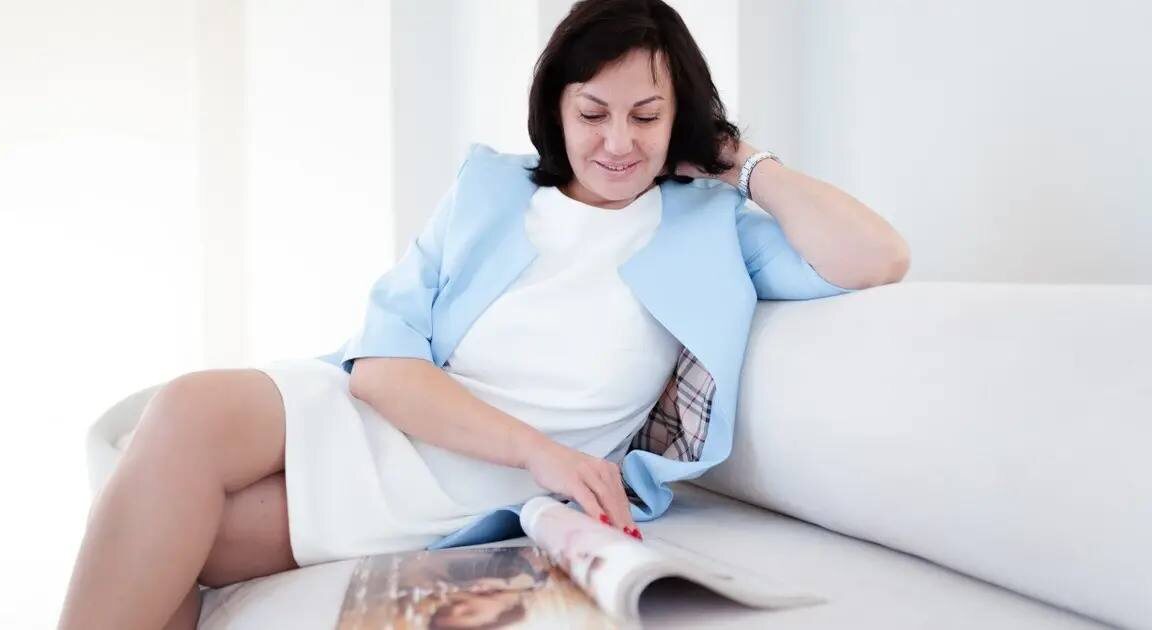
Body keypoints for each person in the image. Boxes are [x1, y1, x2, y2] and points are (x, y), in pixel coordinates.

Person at [57, 0, 909, 628]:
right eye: (593, 113)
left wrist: (740, 161)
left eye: (647, 116)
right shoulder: (489, 187)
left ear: (679, 117)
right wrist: (538, 450)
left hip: (483, 487)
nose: (619, 142)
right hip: (402, 415)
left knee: (177, 543)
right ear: (557, 109)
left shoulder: (713, 228)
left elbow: (878, 257)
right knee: (187, 409)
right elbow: (382, 368)